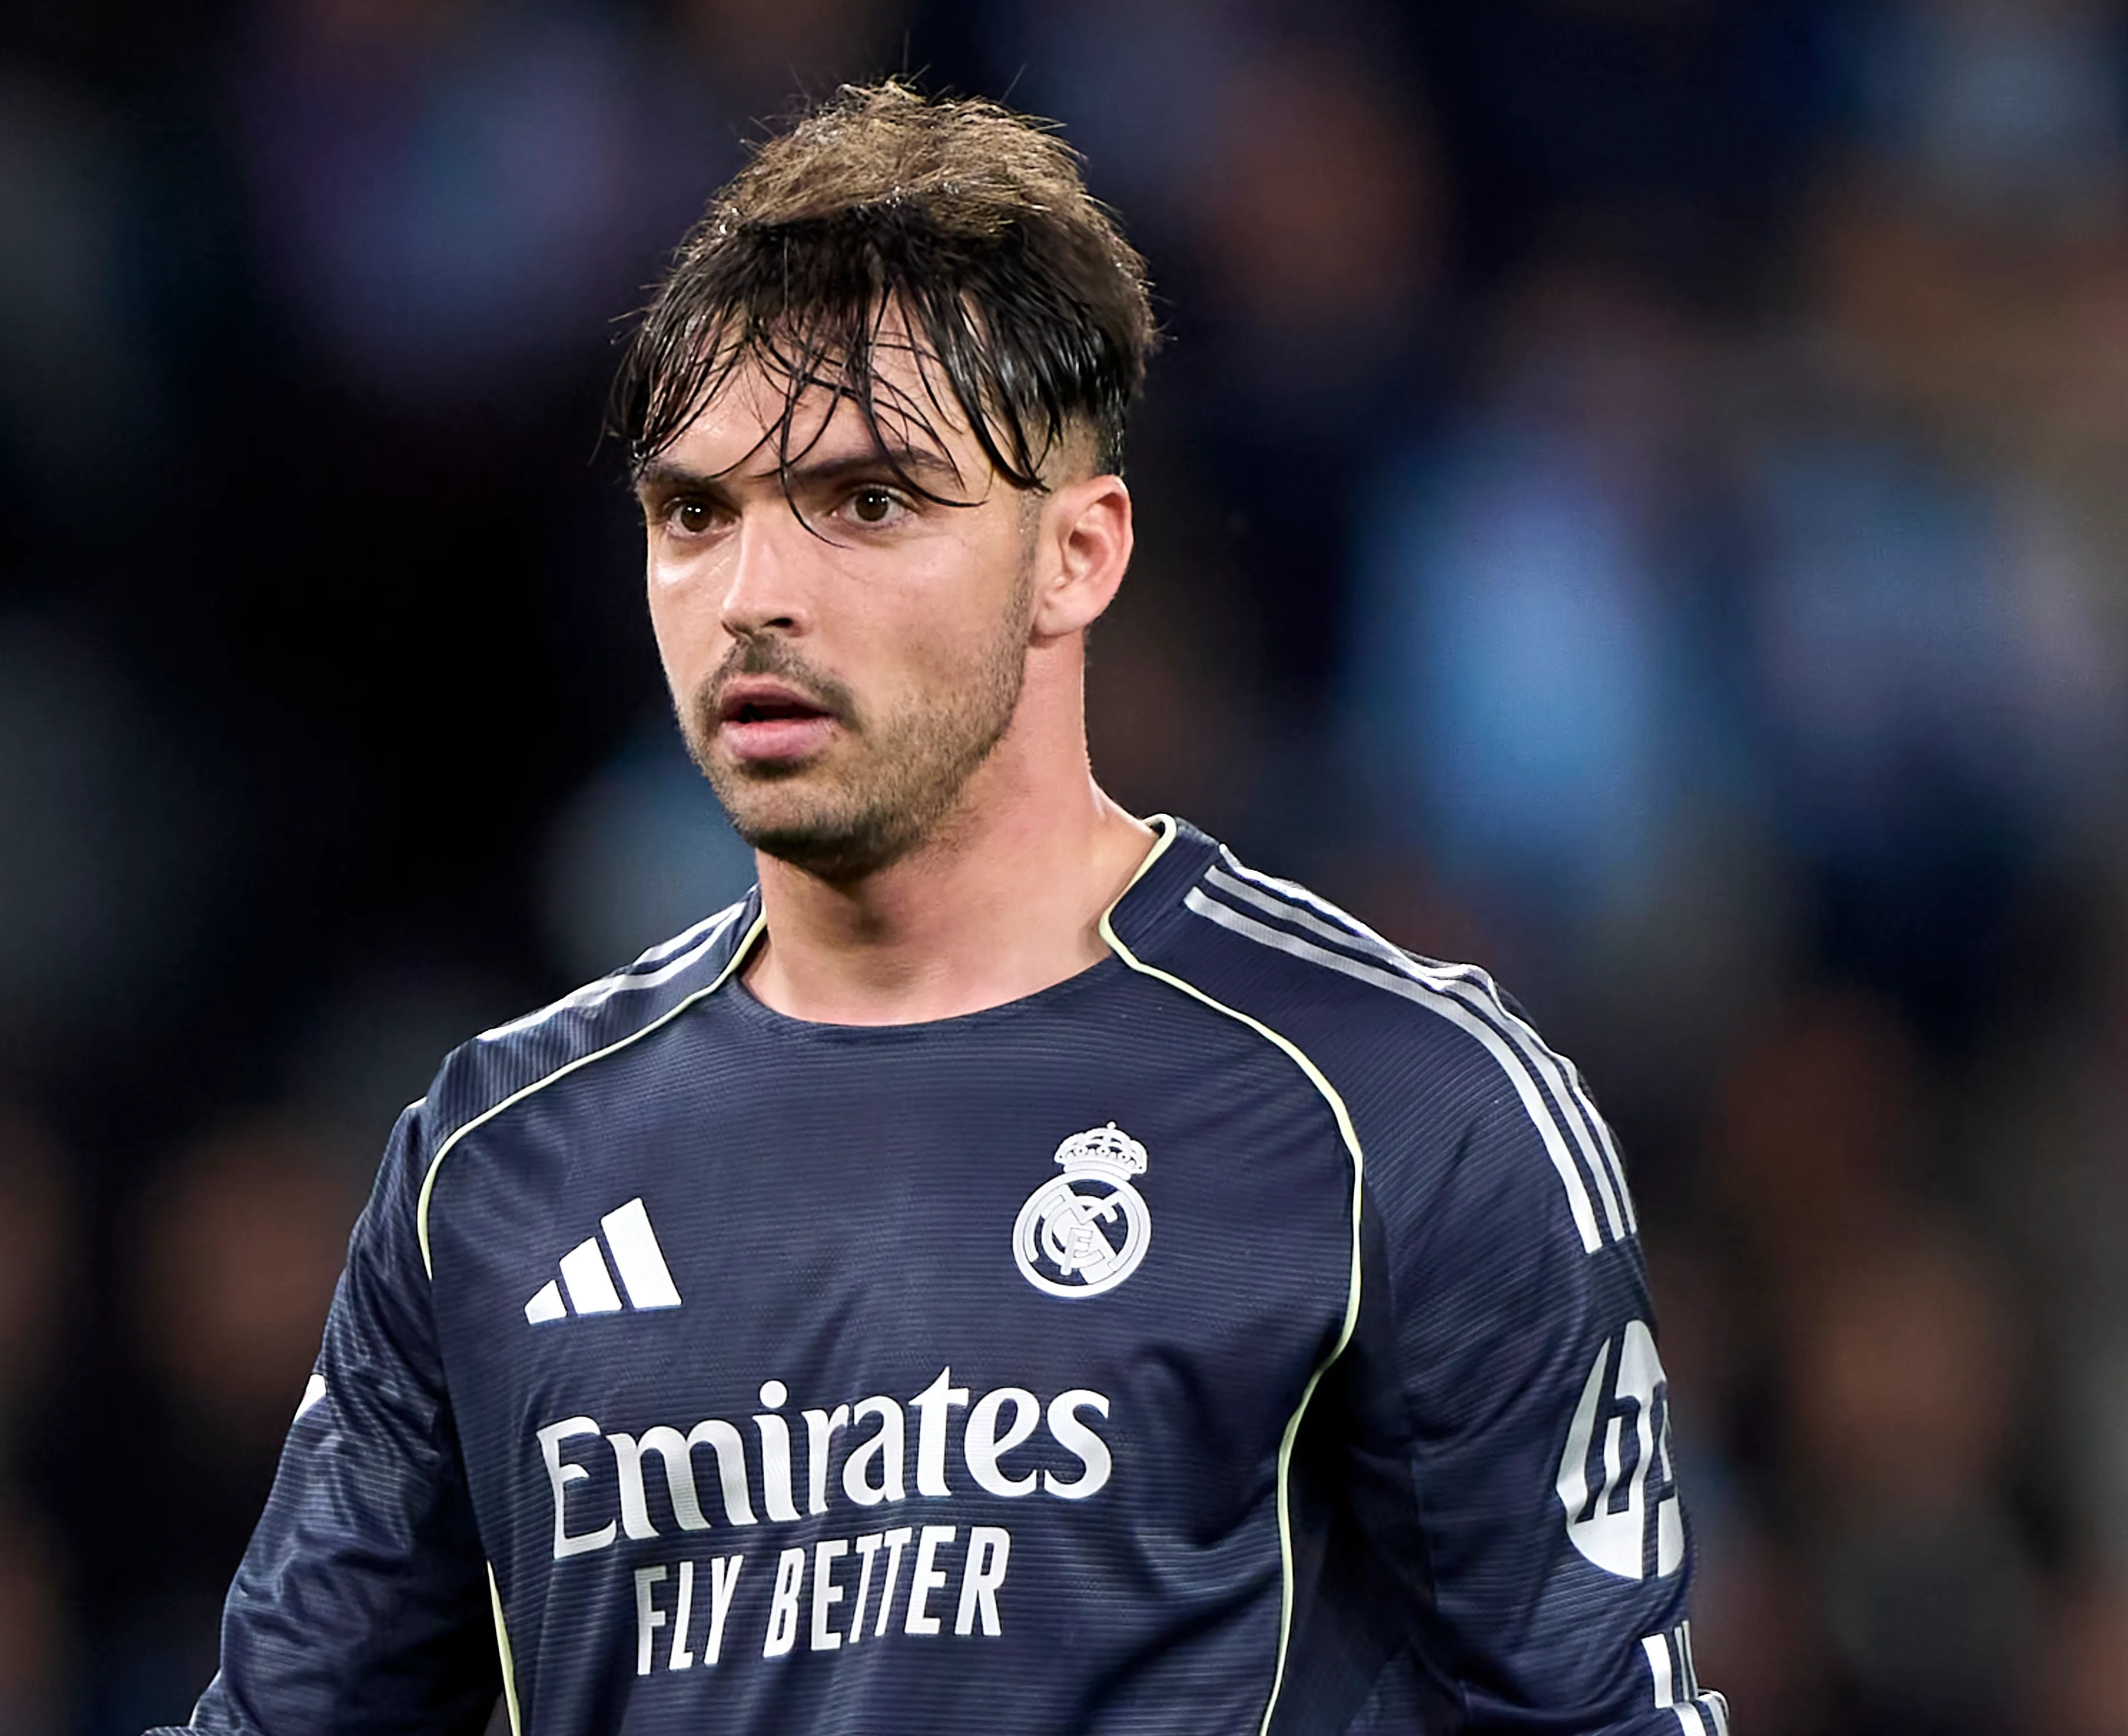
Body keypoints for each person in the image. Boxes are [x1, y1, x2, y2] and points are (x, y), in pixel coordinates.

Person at [151, 82, 1724, 1735]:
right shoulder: (493, 1165)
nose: (755, 594)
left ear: (1078, 555)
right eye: (696, 513)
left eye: (867, 501)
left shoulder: (1397, 1107)